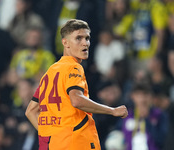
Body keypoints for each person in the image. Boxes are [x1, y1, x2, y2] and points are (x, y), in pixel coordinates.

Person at [25, 19, 128, 150]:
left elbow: (31, 111)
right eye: (78, 38)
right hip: (76, 142)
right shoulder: (74, 67)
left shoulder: (49, 73)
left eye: (87, 38)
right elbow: (77, 100)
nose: (85, 43)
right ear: (65, 43)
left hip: (54, 144)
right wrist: (112, 110)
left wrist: (51, 134)